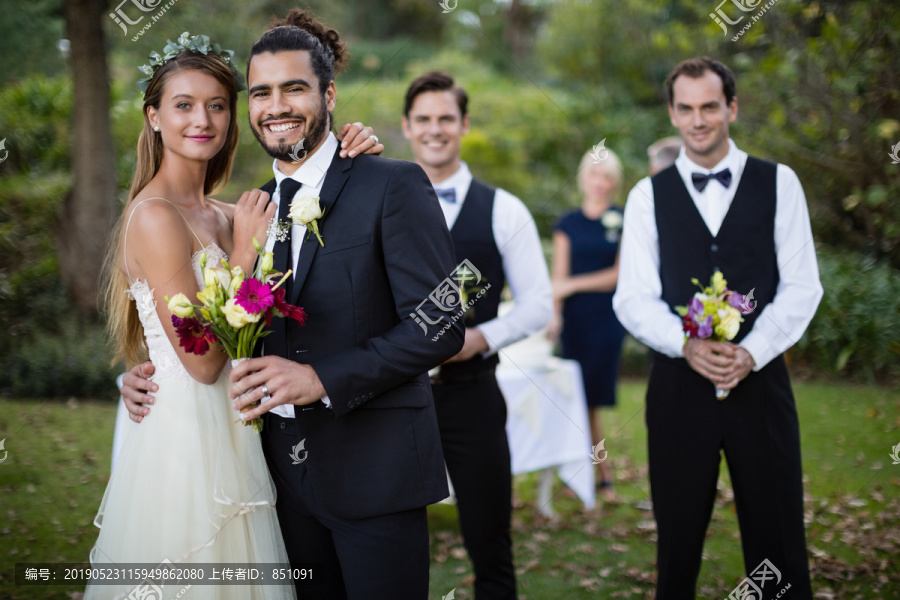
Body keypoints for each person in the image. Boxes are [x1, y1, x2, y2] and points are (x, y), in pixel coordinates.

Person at [121, 11, 464, 600]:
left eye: (294, 88)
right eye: (260, 93)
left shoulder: (392, 184)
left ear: (328, 94)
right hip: (271, 482)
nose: (275, 106)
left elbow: (443, 323)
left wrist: (320, 378)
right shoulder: (251, 210)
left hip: (374, 477)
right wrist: (142, 371)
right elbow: (203, 317)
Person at [86, 35, 294, 600]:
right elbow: (201, 364)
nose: (202, 119)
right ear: (154, 116)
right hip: (187, 442)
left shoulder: (232, 214)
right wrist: (245, 256)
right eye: (183, 105)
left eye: (218, 105)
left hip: (241, 430)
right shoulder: (154, 217)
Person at [612, 57, 822, 599]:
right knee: (677, 543)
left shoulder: (781, 183)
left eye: (710, 106)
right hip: (678, 392)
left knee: (777, 538)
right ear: (672, 112)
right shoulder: (645, 196)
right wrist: (684, 346)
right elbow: (633, 297)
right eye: (686, 108)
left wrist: (752, 352)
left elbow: (802, 285)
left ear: (732, 107)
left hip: (763, 388)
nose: (698, 119)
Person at [401, 71, 552, 600]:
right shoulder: (379, 202)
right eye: (424, 119)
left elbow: (538, 304)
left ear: (464, 125)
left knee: (490, 540)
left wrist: (479, 338)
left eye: (446, 118)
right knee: (389, 544)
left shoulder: (505, 209)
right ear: (406, 127)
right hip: (392, 398)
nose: (435, 129)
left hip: (471, 396)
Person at [548, 148, 626, 502]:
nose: (600, 183)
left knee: (591, 399)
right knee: (574, 400)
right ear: (584, 178)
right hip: (574, 323)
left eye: (607, 177)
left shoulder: (624, 220)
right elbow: (557, 278)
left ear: (614, 183)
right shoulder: (567, 224)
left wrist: (574, 285)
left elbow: (617, 275)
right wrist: (555, 313)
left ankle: (599, 475)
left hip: (606, 320)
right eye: (595, 175)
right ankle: (588, 475)